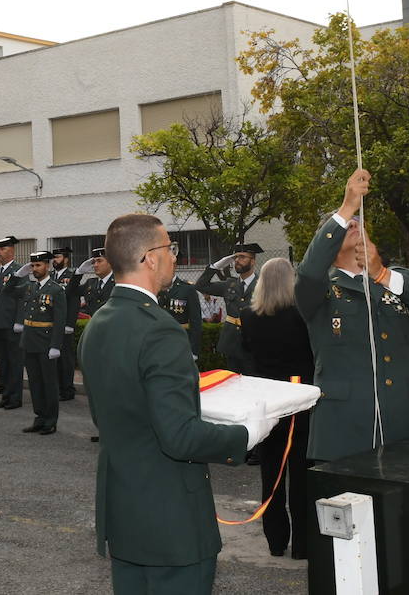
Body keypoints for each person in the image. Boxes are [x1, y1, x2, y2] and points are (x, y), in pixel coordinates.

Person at [78, 212, 276, 594]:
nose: (174, 257)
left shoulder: (100, 323)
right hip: (171, 520)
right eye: (170, 248)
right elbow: (179, 436)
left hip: (125, 510)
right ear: (149, 258)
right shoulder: (159, 328)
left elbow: (118, 416)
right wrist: (248, 433)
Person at [294, 169, 409, 462]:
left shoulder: (397, 280)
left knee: (407, 506)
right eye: (346, 225)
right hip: (346, 426)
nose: (354, 224)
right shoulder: (321, 290)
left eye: (358, 222)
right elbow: (307, 273)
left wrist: (381, 273)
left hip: (407, 420)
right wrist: (346, 207)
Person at [239, 256, 315, 560]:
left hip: (267, 404)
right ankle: (303, 545)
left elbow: (246, 353)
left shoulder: (248, 316)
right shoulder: (302, 317)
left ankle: (275, 541)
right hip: (299, 402)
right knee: (300, 474)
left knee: (270, 474)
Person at [196, 242, 264, 375]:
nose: (237, 261)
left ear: (253, 261)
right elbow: (201, 286)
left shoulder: (262, 284)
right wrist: (216, 266)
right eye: (236, 257)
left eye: (243, 257)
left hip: (255, 342)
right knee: (233, 384)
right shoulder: (229, 284)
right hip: (232, 344)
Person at [18, 251, 67, 436]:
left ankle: (51, 420)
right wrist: (17, 276)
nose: (35, 269)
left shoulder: (56, 290)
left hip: (46, 343)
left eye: (38, 265)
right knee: (35, 383)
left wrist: (56, 345)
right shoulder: (30, 287)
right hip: (29, 341)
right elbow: (9, 291)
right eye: (33, 266)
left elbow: (60, 320)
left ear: (47, 266)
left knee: (49, 383)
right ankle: (39, 417)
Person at [0, 236, 26, 409]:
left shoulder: (19, 271)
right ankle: (6, 395)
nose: (0, 252)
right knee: (3, 361)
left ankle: (15, 398)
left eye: (3, 249)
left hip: (11, 324)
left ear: (11, 251)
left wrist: (19, 321)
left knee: (14, 362)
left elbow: (23, 298)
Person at [51, 248, 81, 401]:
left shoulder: (71, 276)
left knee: (65, 359)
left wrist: (70, 323)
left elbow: (74, 301)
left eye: (58, 257)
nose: (54, 260)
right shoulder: (50, 276)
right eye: (54, 257)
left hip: (64, 325)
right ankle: (57, 388)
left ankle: (67, 390)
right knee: (53, 358)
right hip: (52, 324)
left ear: (66, 259)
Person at [157, 273, 204, 360]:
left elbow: (196, 321)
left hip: (181, 342)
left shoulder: (187, 289)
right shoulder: (155, 287)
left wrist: (193, 350)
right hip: (159, 342)